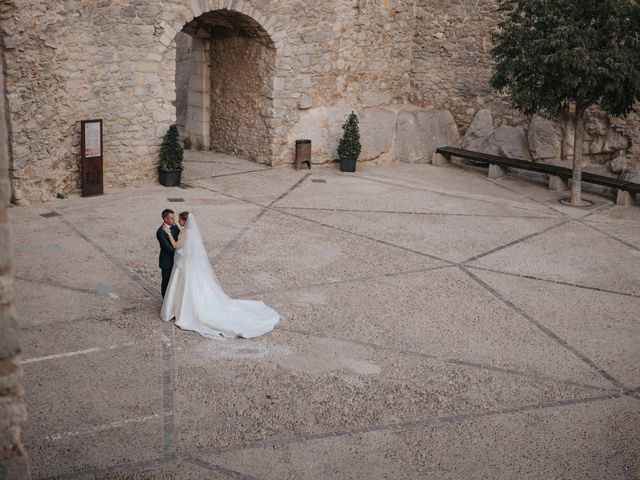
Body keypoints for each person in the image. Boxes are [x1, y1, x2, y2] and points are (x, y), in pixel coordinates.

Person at [160, 211, 280, 339]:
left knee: (186, 286)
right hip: (188, 264)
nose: (178, 222)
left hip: (186, 265)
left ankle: (182, 309)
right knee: (191, 285)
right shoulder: (187, 231)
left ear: (185, 221)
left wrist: (168, 234)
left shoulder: (187, 232)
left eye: (180, 220)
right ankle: (179, 306)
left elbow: (176, 245)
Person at [156, 209, 180, 298]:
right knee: (166, 283)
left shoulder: (174, 226)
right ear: (165, 219)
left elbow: (179, 238)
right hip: (167, 262)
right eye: (172, 218)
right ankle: (165, 302)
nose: (174, 220)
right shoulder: (160, 232)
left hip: (177, 260)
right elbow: (169, 249)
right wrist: (182, 251)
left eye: (174, 218)